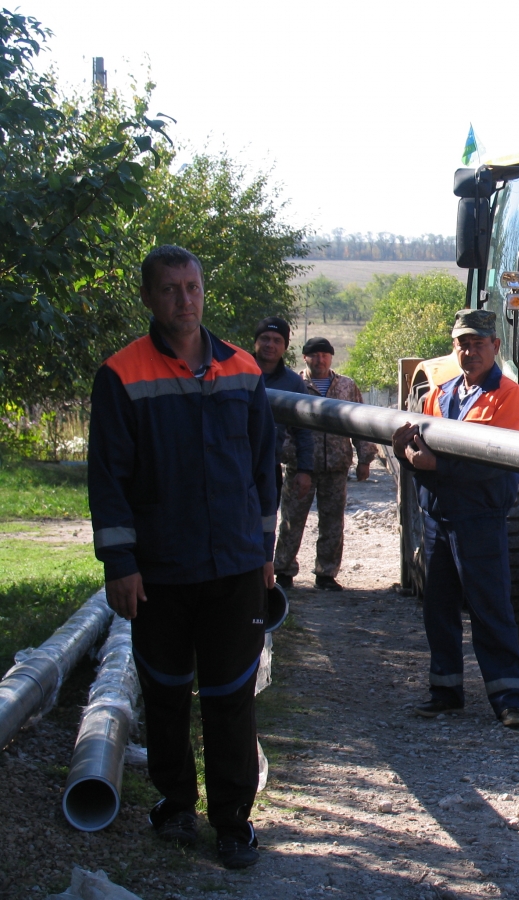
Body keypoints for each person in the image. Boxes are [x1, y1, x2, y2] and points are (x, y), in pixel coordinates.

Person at [88, 245, 275, 869]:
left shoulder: (244, 370)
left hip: (235, 570)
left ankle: (232, 823)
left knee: (231, 697)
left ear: (203, 289)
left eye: (191, 287)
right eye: (169, 289)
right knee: (166, 691)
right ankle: (174, 804)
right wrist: (121, 565)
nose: (183, 300)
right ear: (148, 297)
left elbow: (261, 471)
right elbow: (108, 480)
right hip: (161, 571)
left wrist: (265, 552)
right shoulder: (121, 375)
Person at [390, 309, 519, 728]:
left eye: (478, 344)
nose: (470, 352)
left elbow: (492, 462)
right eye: (462, 344)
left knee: (491, 608)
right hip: (439, 518)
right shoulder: (439, 395)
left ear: (496, 347)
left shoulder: (509, 396)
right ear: (455, 348)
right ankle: (445, 692)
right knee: (439, 609)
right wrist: (407, 456)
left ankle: (509, 699)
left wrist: (432, 464)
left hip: (480, 518)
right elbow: (424, 451)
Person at [274, 336, 377, 591]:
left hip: (336, 467)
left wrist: (365, 459)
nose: (320, 360)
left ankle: (326, 573)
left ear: (331, 357)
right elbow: (282, 425)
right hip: (300, 468)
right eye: (314, 355)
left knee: (332, 522)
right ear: (305, 357)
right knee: (291, 520)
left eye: (324, 355)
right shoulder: (293, 384)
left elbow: (361, 423)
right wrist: (287, 454)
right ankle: (284, 571)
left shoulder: (346, 387)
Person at [252, 316, 313, 511]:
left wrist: (305, 470)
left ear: (285, 347)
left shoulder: (293, 383)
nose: (270, 344)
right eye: (265, 338)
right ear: (255, 342)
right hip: (232, 464)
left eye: (277, 340)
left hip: (269, 467)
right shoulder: (236, 373)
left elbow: (303, 429)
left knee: (265, 526)